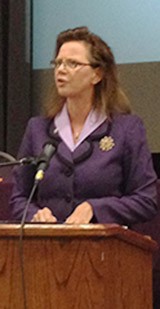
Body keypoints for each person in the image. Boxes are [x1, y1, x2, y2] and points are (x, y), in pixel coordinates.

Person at [9, 26, 157, 225]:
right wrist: (34, 214)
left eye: (73, 64)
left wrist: (94, 208)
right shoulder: (38, 129)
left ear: (97, 75)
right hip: (45, 248)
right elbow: (19, 198)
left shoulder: (126, 129)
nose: (61, 70)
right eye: (58, 63)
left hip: (105, 249)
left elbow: (146, 200)